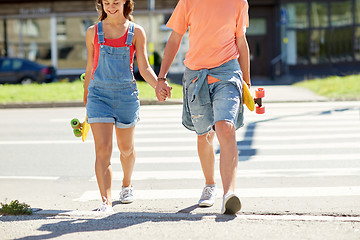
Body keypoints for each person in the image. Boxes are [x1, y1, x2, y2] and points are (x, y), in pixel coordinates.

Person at [155, 0, 251, 215]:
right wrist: (161, 77)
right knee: (204, 135)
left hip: (227, 72)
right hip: (196, 75)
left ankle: (229, 193)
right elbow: (175, 38)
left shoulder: (239, 2)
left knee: (226, 127)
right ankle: (210, 185)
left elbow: (241, 41)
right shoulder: (188, 1)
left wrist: (247, 83)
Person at [84, 0, 166, 212]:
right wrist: (86, 96)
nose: (111, 7)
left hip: (126, 96)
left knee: (126, 149)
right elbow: (90, 65)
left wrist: (158, 85)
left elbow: (144, 66)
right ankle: (105, 202)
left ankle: (127, 185)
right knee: (103, 150)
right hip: (99, 96)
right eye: (107, 3)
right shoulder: (93, 32)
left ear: (125, 3)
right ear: (101, 4)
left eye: (116, 2)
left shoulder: (136, 31)